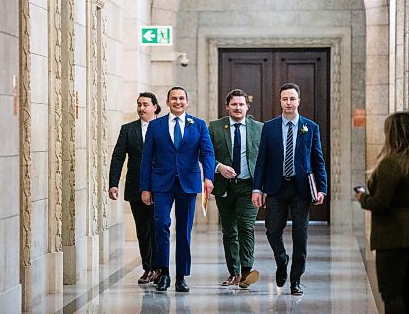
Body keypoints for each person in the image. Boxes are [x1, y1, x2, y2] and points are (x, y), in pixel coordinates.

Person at [252, 82, 327, 296]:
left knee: (300, 235)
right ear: (280, 101)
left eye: (292, 99)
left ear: (298, 101)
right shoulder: (270, 127)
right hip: (276, 187)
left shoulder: (310, 127)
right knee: (272, 230)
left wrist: (321, 188)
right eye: (285, 99)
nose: (288, 103)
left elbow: (318, 160)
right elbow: (262, 161)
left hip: (300, 188)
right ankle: (282, 259)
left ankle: (295, 280)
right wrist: (257, 188)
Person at [140, 86, 215, 292]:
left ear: (187, 102)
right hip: (161, 184)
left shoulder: (198, 125)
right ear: (167, 102)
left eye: (182, 98)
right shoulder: (156, 126)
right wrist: (145, 188)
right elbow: (147, 159)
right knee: (161, 225)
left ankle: (181, 276)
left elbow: (207, 153)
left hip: (188, 184)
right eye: (174, 99)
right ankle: (163, 272)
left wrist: (208, 177)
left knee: (184, 230)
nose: (178, 102)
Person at [354, 111, 409, 314]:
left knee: (391, 293)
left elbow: (380, 202)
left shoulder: (392, 163)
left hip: (393, 237)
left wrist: (362, 197)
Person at [208, 89, 263, 289]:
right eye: (234, 104)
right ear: (227, 107)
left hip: (249, 186)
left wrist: (262, 187)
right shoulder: (214, 127)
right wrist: (218, 167)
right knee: (229, 231)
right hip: (225, 188)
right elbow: (204, 154)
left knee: (246, 227)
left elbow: (265, 158)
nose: (238, 108)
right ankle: (234, 273)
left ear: (247, 107)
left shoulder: (258, 128)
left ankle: (247, 271)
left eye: (241, 104)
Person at [109, 92, 161, 284]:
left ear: (155, 107)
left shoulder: (164, 127)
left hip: (160, 187)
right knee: (143, 229)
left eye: (145, 104)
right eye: (139, 104)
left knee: (158, 228)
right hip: (136, 187)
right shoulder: (128, 130)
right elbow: (118, 157)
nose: (141, 108)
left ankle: (160, 268)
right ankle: (148, 268)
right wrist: (113, 183)